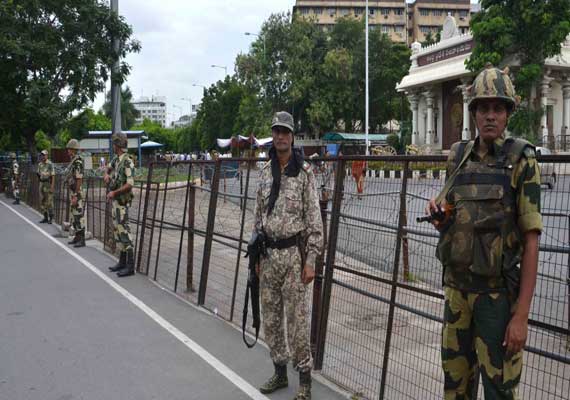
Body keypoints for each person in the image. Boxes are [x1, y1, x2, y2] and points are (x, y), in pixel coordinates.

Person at [424, 64, 542, 400]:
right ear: (473, 113)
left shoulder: (521, 159)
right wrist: (439, 217)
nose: (490, 115)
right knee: (455, 389)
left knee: (498, 392)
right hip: (457, 294)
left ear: (507, 114)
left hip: (497, 301)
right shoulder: (458, 156)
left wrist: (521, 316)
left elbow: (532, 240)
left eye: (498, 108)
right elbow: (449, 214)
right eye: (483, 108)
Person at [253, 111, 323, 400]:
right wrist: (256, 255)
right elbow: (258, 217)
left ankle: (304, 380)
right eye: (276, 131)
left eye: (285, 131)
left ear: (292, 136)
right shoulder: (264, 172)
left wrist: (311, 261)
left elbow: (315, 223)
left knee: (297, 323)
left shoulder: (304, 173)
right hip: (268, 257)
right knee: (270, 320)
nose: (280, 136)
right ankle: (280, 373)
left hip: (294, 258)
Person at [105, 132, 136, 277]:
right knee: (118, 231)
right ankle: (122, 262)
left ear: (117, 145)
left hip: (122, 202)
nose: (113, 145)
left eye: (114, 143)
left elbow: (130, 184)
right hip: (116, 203)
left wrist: (114, 193)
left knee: (125, 233)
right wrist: (107, 173)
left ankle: (130, 267)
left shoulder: (127, 161)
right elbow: (109, 168)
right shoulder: (117, 160)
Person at [65, 139, 86, 248]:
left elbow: (79, 179)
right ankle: (77, 237)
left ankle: (81, 239)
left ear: (73, 149)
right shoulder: (73, 160)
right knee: (74, 215)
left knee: (78, 216)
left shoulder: (78, 161)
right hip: (73, 190)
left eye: (69, 148)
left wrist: (76, 195)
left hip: (76, 192)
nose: (67, 150)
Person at [37, 149, 55, 223]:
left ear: (47, 155)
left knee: (49, 201)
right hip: (42, 183)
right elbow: (38, 173)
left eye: (44, 155)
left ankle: (51, 218)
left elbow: (53, 176)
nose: (42, 156)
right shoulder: (40, 164)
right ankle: (45, 217)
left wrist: (52, 186)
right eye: (42, 155)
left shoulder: (50, 164)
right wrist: (39, 181)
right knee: (42, 200)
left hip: (48, 183)